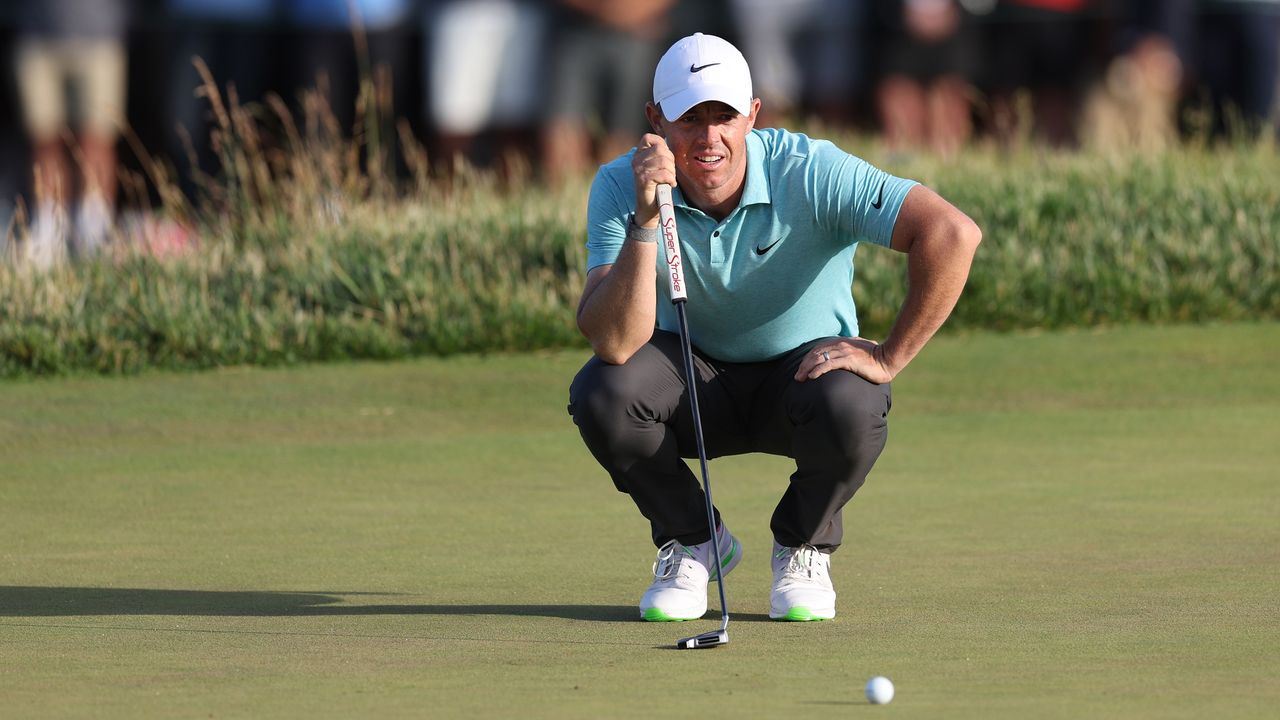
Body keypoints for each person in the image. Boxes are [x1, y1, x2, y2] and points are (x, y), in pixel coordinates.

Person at [567, 33, 981, 623]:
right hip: (689, 381)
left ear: (753, 116)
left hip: (801, 381)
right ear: (655, 120)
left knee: (853, 400)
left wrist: (889, 358)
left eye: (725, 117)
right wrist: (645, 220)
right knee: (603, 392)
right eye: (690, 118)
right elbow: (614, 341)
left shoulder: (809, 171)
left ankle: (803, 546)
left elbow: (951, 234)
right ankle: (693, 542)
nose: (709, 137)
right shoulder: (620, 185)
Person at [13, 0, 130, 267]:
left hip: (100, 36)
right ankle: (48, 232)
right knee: (44, 140)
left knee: (97, 139)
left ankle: (94, 233)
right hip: (37, 35)